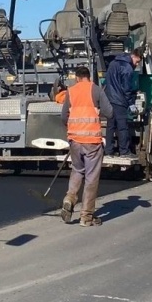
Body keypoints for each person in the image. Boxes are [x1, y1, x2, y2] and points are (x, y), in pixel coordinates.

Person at [60, 66, 113, 227]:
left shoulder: (71, 91)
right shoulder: (96, 90)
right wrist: (97, 111)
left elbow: (64, 116)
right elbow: (110, 112)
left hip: (75, 140)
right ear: (88, 77)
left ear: (77, 78)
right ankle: (86, 216)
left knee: (77, 170)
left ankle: (69, 198)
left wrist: (72, 129)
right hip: (91, 141)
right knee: (91, 177)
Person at [104, 48, 143, 157]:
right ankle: (124, 151)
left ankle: (109, 151)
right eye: (137, 61)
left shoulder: (113, 63)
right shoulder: (127, 68)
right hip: (119, 101)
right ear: (134, 56)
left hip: (109, 99)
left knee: (110, 126)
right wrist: (131, 103)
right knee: (122, 127)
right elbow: (126, 89)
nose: (137, 64)